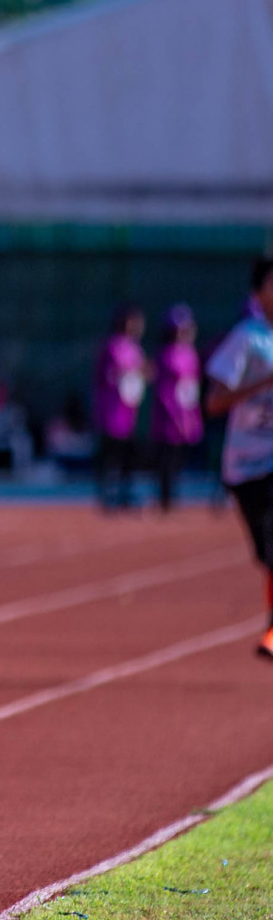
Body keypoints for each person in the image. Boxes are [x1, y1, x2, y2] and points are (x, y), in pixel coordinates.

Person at [206, 255, 273, 657]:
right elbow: (214, 402)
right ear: (257, 292)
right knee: (268, 554)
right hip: (247, 465)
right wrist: (262, 382)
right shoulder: (247, 339)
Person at [94, 302, 150, 510]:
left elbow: (141, 372)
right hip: (111, 411)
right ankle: (108, 494)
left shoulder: (135, 347)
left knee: (128, 455)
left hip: (129, 413)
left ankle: (125, 494)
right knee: (110, 454)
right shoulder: (112, 345)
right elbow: (112, 374)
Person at [151, 304, 203, 512]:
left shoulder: (190, 353)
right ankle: (165, 499)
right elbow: (164, 391)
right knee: (166, 458)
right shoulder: (166, 355)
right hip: (168, 417)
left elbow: (192, 387)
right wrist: (176, 416)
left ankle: (173, 497)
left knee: (179, 458)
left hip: (186, 413)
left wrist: (191, 417)